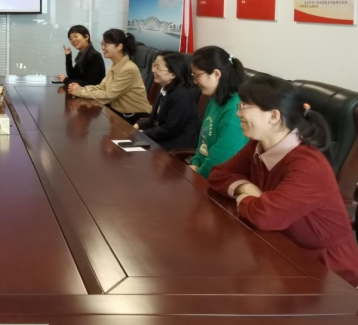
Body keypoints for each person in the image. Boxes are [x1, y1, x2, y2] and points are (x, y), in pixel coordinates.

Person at [209, 74, 358, 287]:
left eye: (244, 106)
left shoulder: (308, 164)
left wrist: (244, 200)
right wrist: (247, 188)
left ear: (274, 116)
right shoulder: (258, 145)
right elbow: (218, 174)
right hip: (281, 248)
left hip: (326, 271)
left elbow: (266, 216)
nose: (238, 113)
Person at [188, 46, 248, 178]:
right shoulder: (215, 99)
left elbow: (222, 157)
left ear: (216, 74)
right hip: (202, 173)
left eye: (197, 75)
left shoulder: (235, 109)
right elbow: (203, 142)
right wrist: (195, 163)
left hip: (220, 179)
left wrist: (197, 174)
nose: (195, 81)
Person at [67, 29, 151, 123]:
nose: (103, 48)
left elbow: (109, 94)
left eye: (106, 44)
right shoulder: (115, 64)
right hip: (118, 113)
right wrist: (82, 89)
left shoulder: (128, 68)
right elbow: (102, 87)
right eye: (102, 44)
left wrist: (81, 92)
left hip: (135, 116)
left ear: (119, 46)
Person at [134, 51, 201, 151]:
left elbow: (170, 129)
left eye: (158, 68)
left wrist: (144, 133)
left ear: (172, 74)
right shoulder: (165, 89)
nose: (153, 70)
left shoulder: (181, 95)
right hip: (163, 139)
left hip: (176, 147)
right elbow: (155, 120)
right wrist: (139, 124)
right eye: (154, 66)